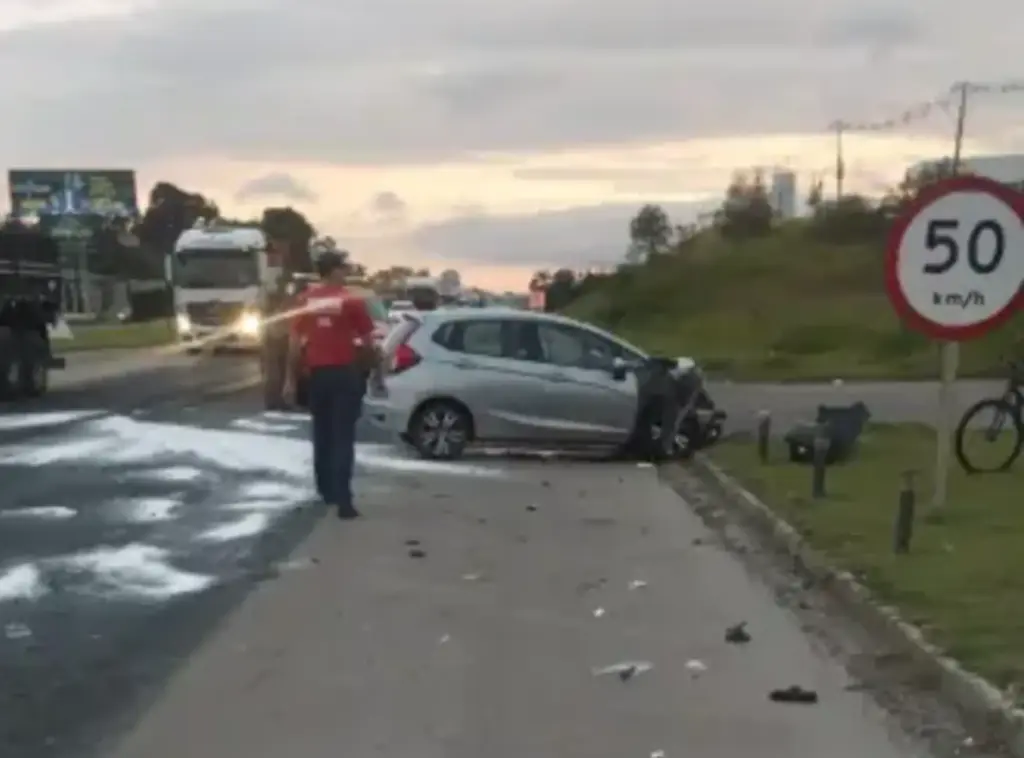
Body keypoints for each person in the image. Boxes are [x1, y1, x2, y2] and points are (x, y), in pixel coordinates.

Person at [282, 251, 375, 520]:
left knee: (322, 434)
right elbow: (368, 339)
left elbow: (294, 343)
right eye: (343, 268)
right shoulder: (351, 301)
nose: (346, 272)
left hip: (317, 376)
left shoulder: (306, 300)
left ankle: (325, 491)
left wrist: (290, 379)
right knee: (343, 436)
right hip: (344, 374)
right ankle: (344, 500)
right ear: (333, 270)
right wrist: (375, 372)